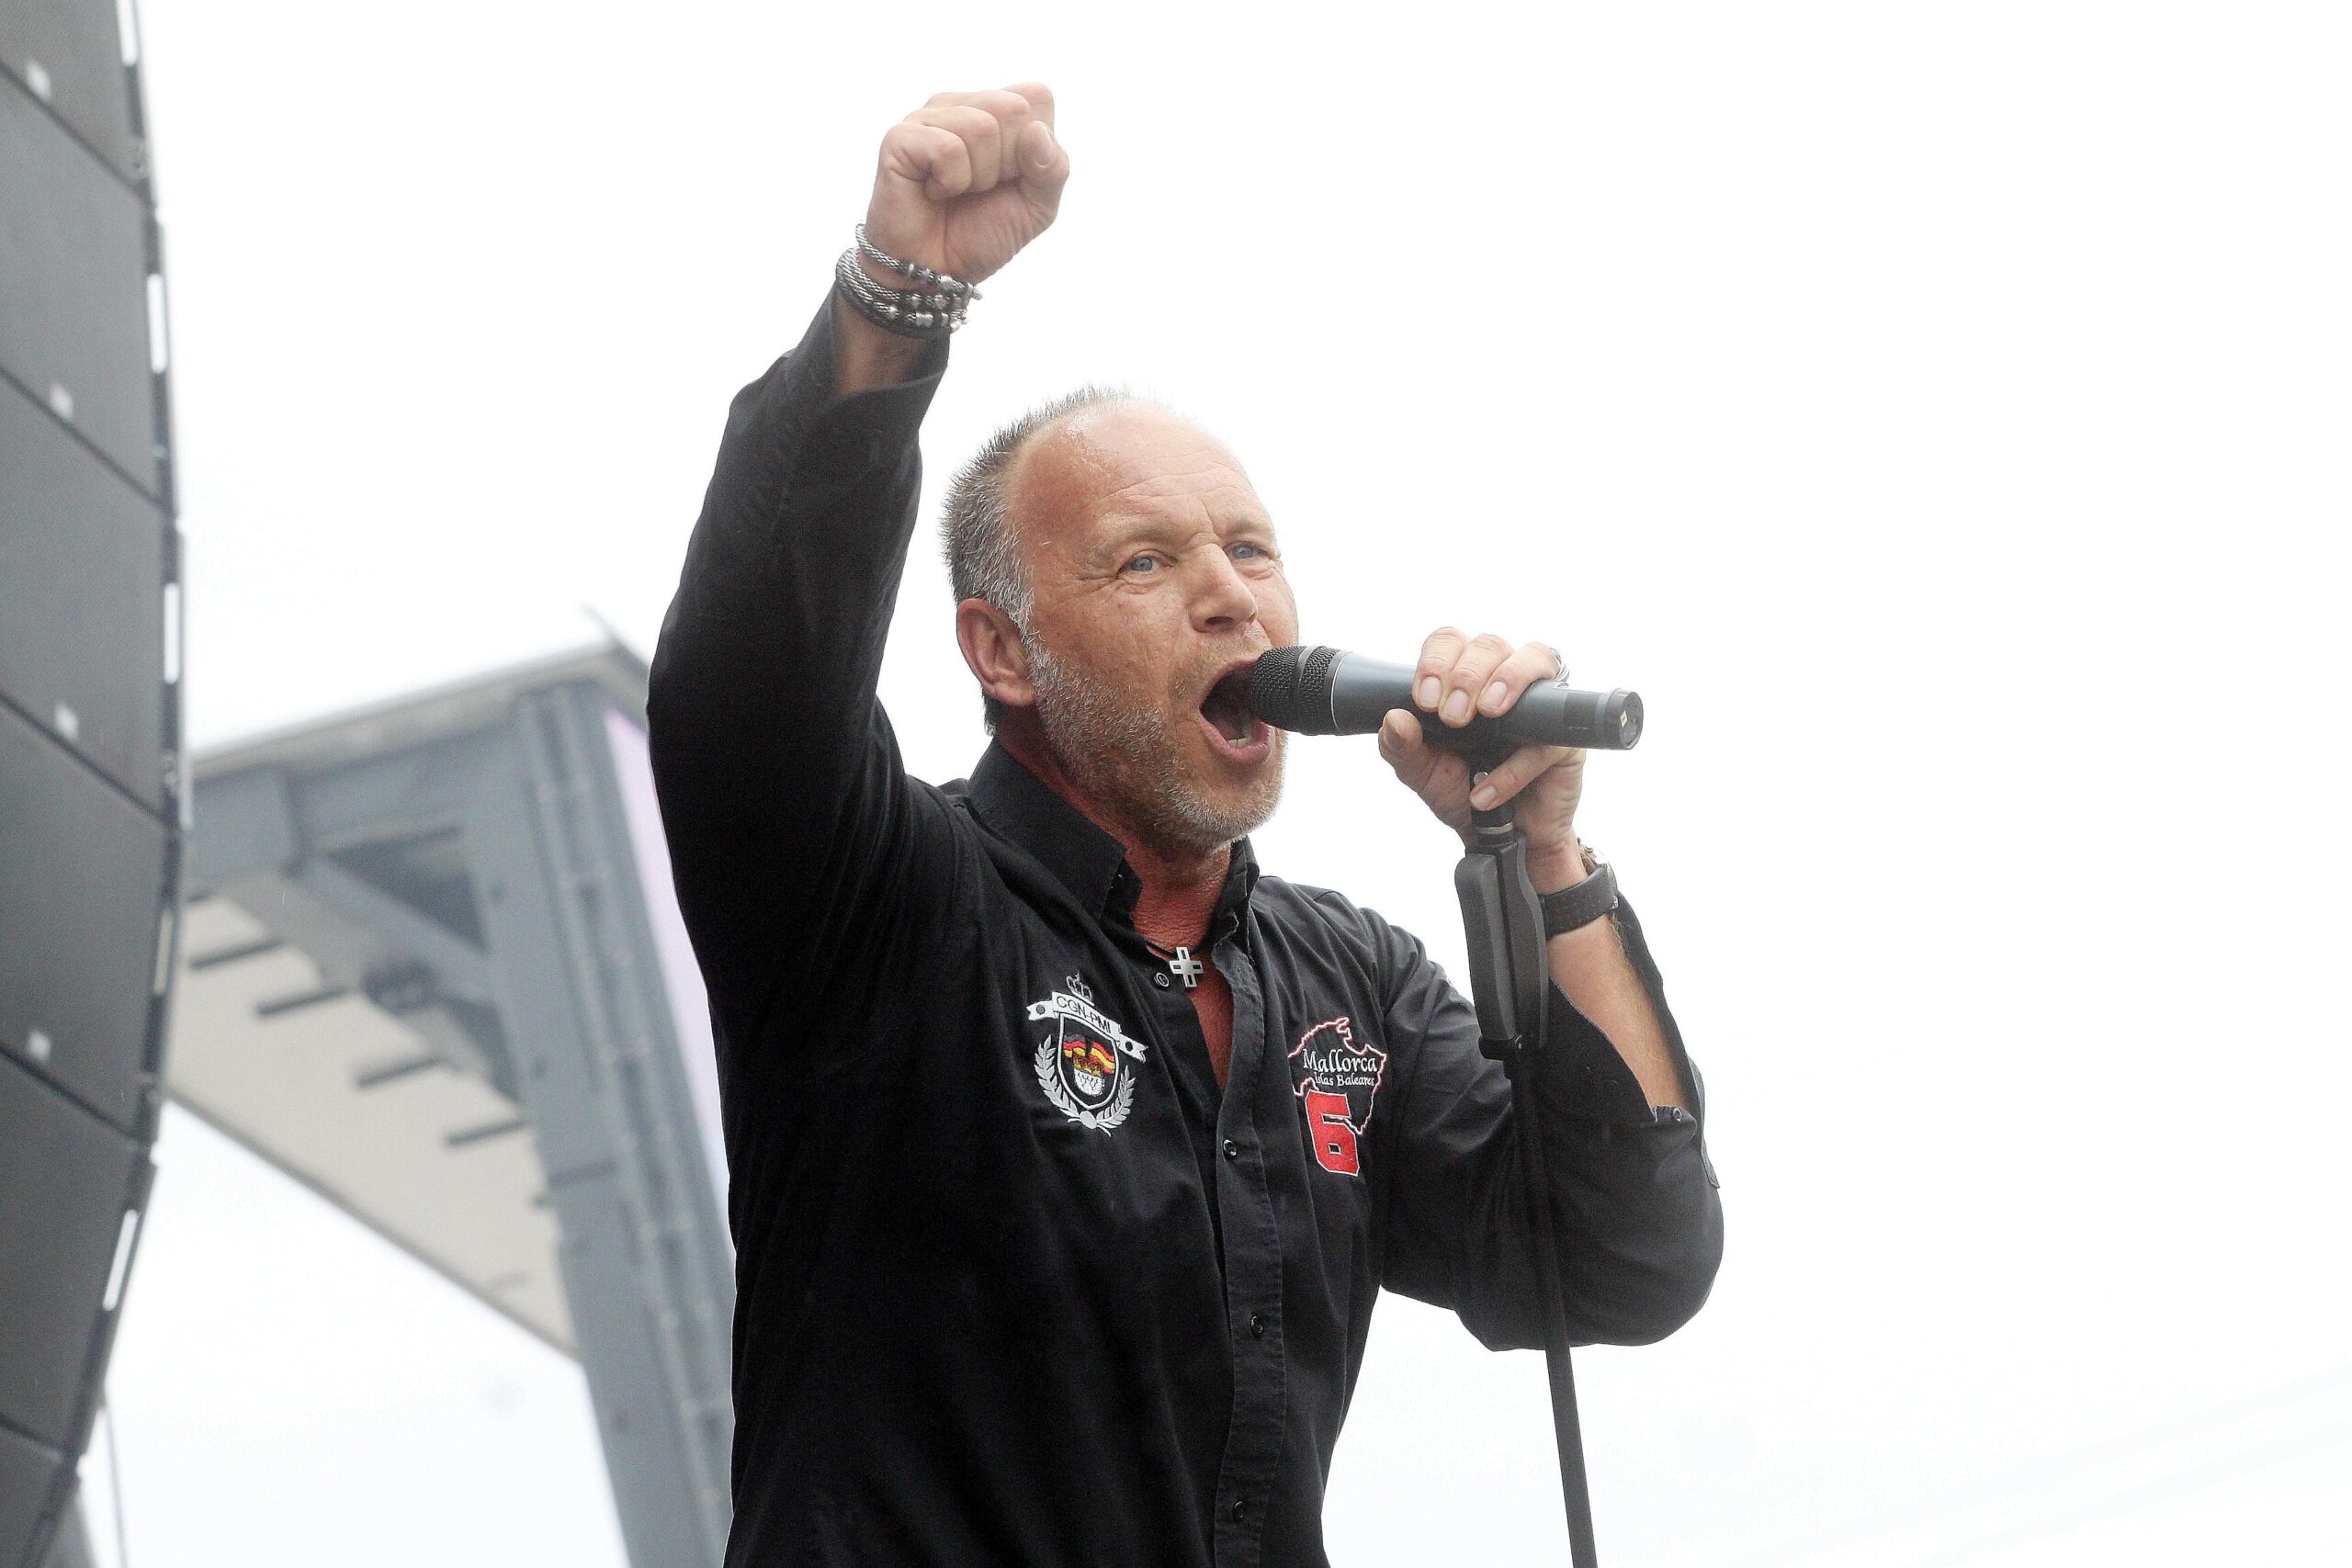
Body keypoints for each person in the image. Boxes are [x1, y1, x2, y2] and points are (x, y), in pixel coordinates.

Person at [650, 83, 1724, 1568]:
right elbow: (749, 672)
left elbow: (1628, 1256)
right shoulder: (878, 901)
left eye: (1250, 550)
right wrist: (901, 298)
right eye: (1144, 561)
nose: (1231, 594)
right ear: (1003, 649)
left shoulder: (1349, 987)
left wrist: (1544, 856)